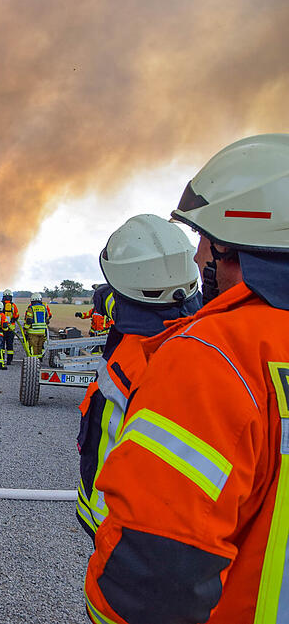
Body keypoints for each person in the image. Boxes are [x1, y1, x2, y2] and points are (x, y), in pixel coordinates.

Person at [83, 134, 289, 623]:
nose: (197, 259)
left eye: (204, 240)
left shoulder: (214, 357)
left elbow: (155, 577)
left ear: (232, 244)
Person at [75, 214, 201, 540]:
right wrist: (107, 297)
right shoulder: (203, 324)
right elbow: (130, 305)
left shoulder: (137, 364)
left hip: (123, 536)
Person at [23, 292, 52, 357]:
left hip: (33, 332)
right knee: (40, 346)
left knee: (34, 347)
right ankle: (40, 358)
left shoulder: (31, 308)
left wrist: (25, 329)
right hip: (42, 332)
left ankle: (34, 361)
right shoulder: (44, 308)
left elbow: (29, 321)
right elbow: (47, 320)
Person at [0, 289, 19, 364]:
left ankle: (1, 359)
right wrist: (13, 319)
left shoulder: (0, 305)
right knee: (10, 346)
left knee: (1, 345)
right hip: (11, 329)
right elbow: (16, 316)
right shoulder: (13, 306)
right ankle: (9, 361)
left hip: (1, 329)